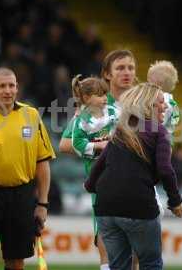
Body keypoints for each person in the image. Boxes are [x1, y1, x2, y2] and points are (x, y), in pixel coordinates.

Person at [85, 83, 182, 270]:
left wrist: (90, 186)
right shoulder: (158, 130)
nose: (165, 107)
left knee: (118, 266)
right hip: (138, 205)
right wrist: (175, 202)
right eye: (160, 103)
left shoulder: (121, 130)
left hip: (106, 208)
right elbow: (165, 170)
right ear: (147, 105)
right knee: (151, 263)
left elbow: (99, 165)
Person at [0, 67, 55, 270]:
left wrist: (43, 204)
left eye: (12, 85)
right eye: (2, 86)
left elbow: (42, 162)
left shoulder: (31, 115)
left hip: (20, 195)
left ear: (17, 87)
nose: (8, 90)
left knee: (16, 262)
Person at [71, 75, 118, 270]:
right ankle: (105, 266)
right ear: (87, 98)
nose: (105, 98)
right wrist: (101, 146)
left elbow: (128, 128)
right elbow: (76, 144)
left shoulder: (114, 112)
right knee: (103, 224)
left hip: (120, 174)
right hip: (99, 178)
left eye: (105, 94)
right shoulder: (81, 121)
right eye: (100, 95)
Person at [147, 60, 180, 144]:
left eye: (149, 80)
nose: (147, 84)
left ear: (159, 83)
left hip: (159, 143)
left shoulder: (166, 101)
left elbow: (158, 123)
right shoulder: (172, 102)